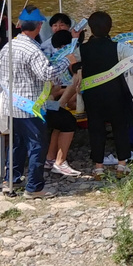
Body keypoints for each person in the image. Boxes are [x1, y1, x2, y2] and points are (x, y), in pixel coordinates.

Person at [0, 6, 63, 197]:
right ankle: (34, 187)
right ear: (39, 26)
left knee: (16, 144)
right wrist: (66, 61)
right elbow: (46, 74)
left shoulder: (9, 45)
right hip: (30, 107)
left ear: (20, 24)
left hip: (11, 103)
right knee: (37, 146)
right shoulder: (33, 50)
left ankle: (11, 179)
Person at [70, 11, 133, 178]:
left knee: (96, 128)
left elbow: (71, 62)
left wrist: (73, 40)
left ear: (91, 29)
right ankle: (121, 166)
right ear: (110, 27)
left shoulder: (82, 49)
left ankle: (98, 167)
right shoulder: (118, 47)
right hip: (116, 93)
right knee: (120, 127)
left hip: (93, 94)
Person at [43, 29, 81, 177]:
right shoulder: (63, 62)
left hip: (40, 104)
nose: (59, 51)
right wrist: (60, 100)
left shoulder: (51, 60)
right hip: (41, 105)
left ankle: (50, 158)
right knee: (68, 121)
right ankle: (60, 162)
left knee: (61, 121)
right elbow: (69, 86)